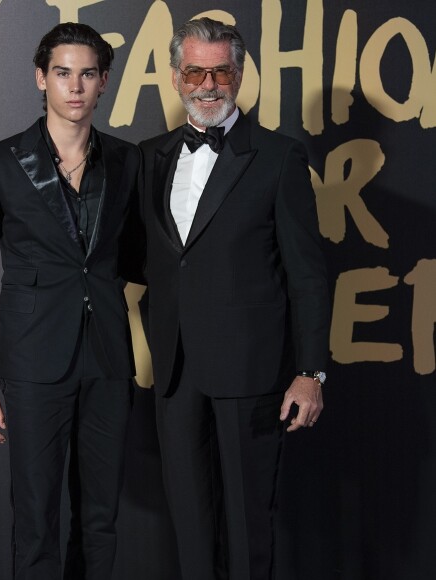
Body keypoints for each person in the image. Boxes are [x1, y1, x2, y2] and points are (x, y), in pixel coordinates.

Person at [0, 23, 140, 580]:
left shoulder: (128, 162)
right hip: (33, 366)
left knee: (100, 520)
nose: (74, 86)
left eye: (86, 74)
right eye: (62, 73)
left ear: (104, 82)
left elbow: (143, 261)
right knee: (35, 519)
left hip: (108, 361)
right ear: (40, 79)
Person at [137, 17, 330, 580]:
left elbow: (309, 275)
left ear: (240, 75)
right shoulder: (150, 156)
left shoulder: (278, 157)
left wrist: (311, 372)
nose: (208, 84)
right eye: (195, 70)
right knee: (190, 528)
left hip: (252, 371)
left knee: (249, 527)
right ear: (175, 77)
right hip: (173, 371)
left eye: (221, 70)